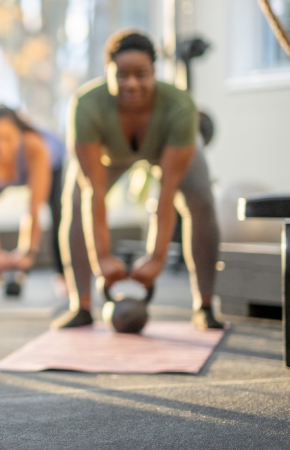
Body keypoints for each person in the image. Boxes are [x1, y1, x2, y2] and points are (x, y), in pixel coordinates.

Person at [53, 30, 223, 330]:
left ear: (154, 74)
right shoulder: (86, 105)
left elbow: (167, 192)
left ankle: (205, 305)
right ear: (108, 73)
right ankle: (81, 305)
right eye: (121, 75)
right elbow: (96, 191)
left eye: (141, 74)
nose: (131, 83)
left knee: (201, 200)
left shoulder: (180, 106)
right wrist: (101, 257)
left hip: (165, 149)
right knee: (77, 199)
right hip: (110, 155)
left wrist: (157, 257)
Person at [0, 105, 65, 288]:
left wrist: (27, 253)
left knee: (59, 213)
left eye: (8, 139)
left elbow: (34, 208)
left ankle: (63, 275)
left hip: (50, 165)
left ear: (19, 136)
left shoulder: (35, 146)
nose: (1, 147)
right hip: (6, 177)